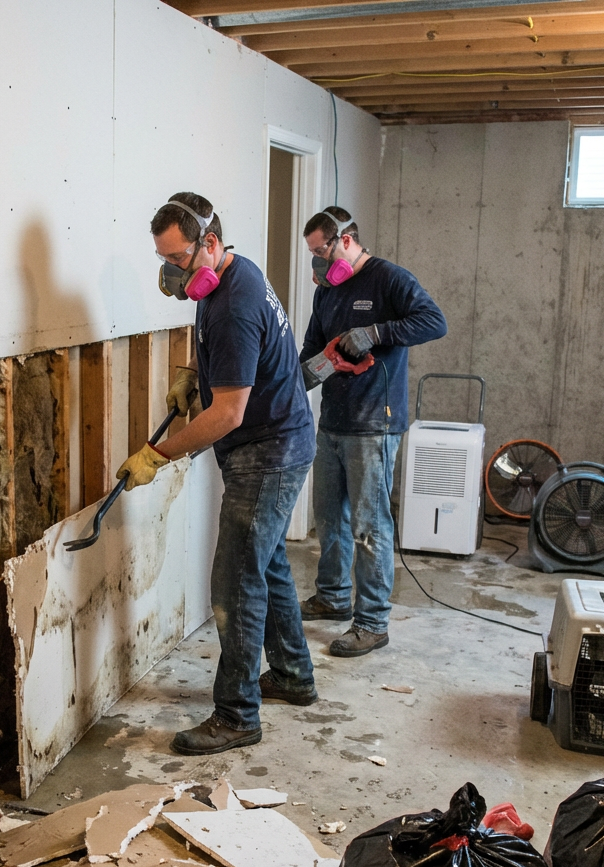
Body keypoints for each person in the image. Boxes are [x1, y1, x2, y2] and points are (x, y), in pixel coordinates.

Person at [117, 192, 317, 757]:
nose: (170, 270)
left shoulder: (233, 302)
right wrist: (193, 372)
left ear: (209, 243)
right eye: (163, 257)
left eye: (177, 258)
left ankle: (235, 716)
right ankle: (294, 675)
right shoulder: (230, 276)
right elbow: (228, 355)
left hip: (268, 453)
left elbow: (228, 412)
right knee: (268, 561)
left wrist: (157, 455)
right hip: (277, 441)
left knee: (235, 582)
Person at [299, 206, 447, 656]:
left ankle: (372, 622)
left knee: (369, 526)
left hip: (375, 425)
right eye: (311, 253)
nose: (316, 262)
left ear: (345, 240)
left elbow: (434, 321)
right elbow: (309, 350)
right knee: (329, 519)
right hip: (334, 421)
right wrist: (317, 367)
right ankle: (333, 598)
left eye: (320, 250)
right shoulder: (327, 291)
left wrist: (376, 331)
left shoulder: (389, 279)